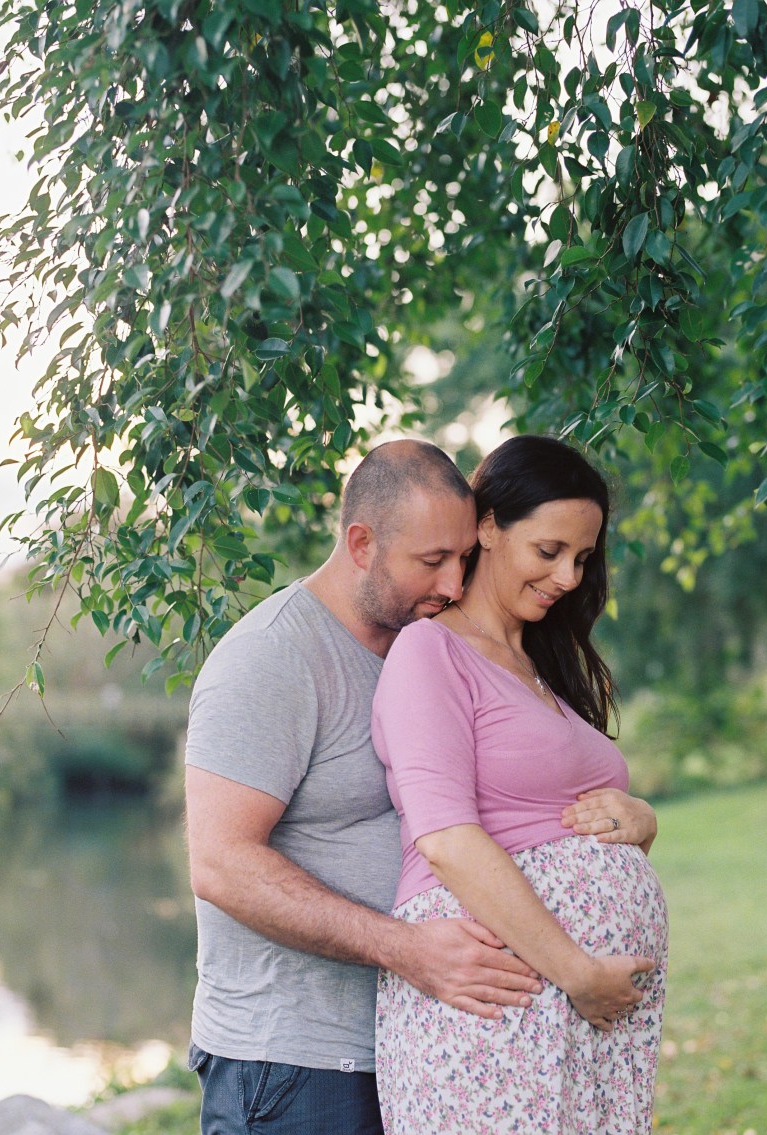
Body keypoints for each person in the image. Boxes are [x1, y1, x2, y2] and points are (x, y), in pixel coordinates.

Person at [183, 438, 658, 1135]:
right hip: (293, 1057)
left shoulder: (425, 639)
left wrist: (635, 820)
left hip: (419, 1031)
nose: (452, 582)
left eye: (463, 558)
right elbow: (220, 863)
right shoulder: (272, 659)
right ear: (362, 542)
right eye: (433, 562)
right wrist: (406, 949)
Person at [372, 434, 668, 1135]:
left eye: (583, 558)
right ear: (488, 527)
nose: (569, 576)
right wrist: (576, 970)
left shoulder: (539, 666)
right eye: (550, 551)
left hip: (570, 1009)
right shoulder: (430, 651)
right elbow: (445, 837)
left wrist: (641, 820)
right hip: (503, 999)